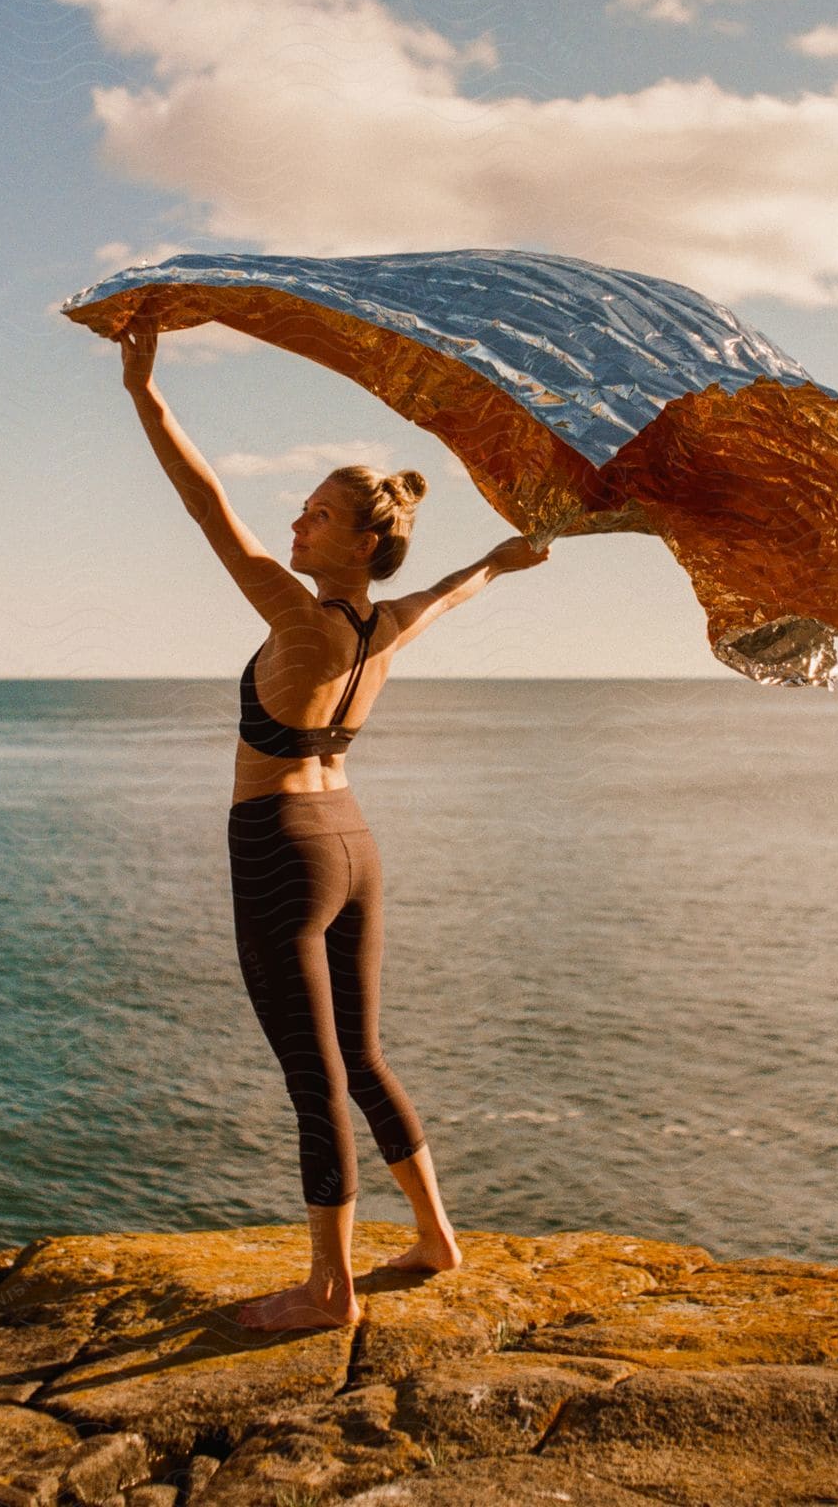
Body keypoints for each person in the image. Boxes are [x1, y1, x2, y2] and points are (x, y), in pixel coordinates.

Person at [116, 318, 550, 1331]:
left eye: (316, 515)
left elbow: (204, 502)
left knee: (314, 1076)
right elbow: (459, 585)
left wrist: (146, 393)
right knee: (363, 1058)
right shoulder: (382, 626)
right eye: (300, 512)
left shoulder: (296, 613)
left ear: (363, 540)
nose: (296, 525)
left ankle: (328, 1290)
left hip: (280, 851)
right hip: (353, 843)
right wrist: (510, 552)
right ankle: (437, 1236)